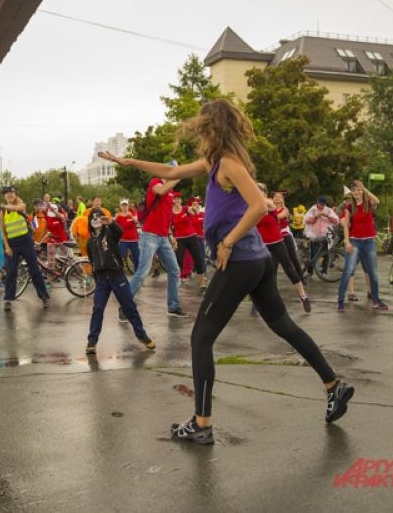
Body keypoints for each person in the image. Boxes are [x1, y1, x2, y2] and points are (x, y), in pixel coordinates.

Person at [101, 99, 353, 443]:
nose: (200, 135)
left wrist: (229, 240)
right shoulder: (214, 162)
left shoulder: (230, 165)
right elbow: (171, 172)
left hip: (241, 262)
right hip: (255, 260)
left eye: (203, 128)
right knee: (283, 325)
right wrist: (128, 161)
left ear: (212, 129)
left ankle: (202, 425)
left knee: (200, 338)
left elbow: (258, 206)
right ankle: (333, 386)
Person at [98, 155, 186, 319]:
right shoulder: (156, 183)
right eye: (172, 171)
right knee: (142, 272)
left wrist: (170, 235)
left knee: (174, 271)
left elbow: (166, 216)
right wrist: (178, 176)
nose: (174, 174)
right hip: (150, 236)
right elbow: (161, 190)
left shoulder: (170, 192)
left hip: (163, 237)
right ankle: (125, 305)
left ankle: (173, 307)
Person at [84, 208, 156, 355]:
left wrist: (110, 222)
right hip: (102, 280)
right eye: (93, 217)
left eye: (99, 217)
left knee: (129, 307)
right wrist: (96, 278)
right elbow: (93, 262)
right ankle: (92, 341)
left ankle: (142, 335)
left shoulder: (110, 233)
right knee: (97, 309)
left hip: (117, 276)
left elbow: (120, 232)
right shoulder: (90, 242)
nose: (96, 220)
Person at [256, 185, 311, 313]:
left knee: (289, 268)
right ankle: (258, 303)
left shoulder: (269, 203)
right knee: (266, 273)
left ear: (264, 193)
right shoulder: (254, 207)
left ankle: (304, 296)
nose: (256, 193)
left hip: (277, 242)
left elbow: (270, 206)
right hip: (263, 245)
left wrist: (252, 195)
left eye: (259, 191)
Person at [337, 180, 388, 313]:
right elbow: (346, 226)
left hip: (369, 242)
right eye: (355, 190)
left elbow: (377, 201)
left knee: (373, 274)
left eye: (359, 190)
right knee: (348, 271)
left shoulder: (369, 204)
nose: (357, 192)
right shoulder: (349, 208)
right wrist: (347, 242)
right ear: (352, 193)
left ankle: (376, 300)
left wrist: (363, 188)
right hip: (355, 242)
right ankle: (340, 301)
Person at [0, 186, 49, 311]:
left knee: (34, 270)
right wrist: (7, 247)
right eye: (7, 194)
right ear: (3, 196)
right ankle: (8, 299)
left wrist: (5, 206)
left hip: (26, 241)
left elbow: (18, 208)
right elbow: (3, 232)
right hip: (12, 244)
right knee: (11, 273)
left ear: (15, 194)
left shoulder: (21, 204)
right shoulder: (2, 212)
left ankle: (43, 296)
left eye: (12, 193)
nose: (9, 195)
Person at [172, 192, 208, 292]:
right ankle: (176, 283)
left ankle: (202, 284)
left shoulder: (185, 208)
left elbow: (192, 211)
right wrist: (172, 238)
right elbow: (169, 227)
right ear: (172, 200)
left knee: (198, 259)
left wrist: (194, 210)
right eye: (175, 198)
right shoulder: (170, 213)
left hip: (192, 237)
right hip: (179, 239)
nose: (178, 200)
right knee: (178, 261)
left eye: (179, 198)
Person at [303, 196, 339, 275]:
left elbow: (336, 221)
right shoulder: (312, 210)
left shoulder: (329, 210)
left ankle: (324, 271)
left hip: (327, 234)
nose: (321, 205)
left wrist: (328, 216)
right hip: (314, 234)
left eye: (323, 204)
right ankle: (310, 272)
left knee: (326, 253)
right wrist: (315, 216)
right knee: (313, 253)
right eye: (320, 203)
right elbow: (306, 221)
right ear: (317, 202)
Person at [272, 191, 303, 281]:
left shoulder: (285, 210)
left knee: (293, 257)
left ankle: (301, 277)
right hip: (275, 236)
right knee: (274, 261)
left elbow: (278, 217)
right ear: (272, 199)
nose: (277, 198)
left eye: (280, 197)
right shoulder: (269, 209)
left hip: (285, 235)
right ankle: (273, 281)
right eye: (275, 196)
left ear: (282, 200)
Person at [115, 199, 140, 271]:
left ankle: (137, 273)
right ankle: (119, 271)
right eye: (123, 205)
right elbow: (115, 226)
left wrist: (131, 216)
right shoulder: (119, 216)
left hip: (133, 240)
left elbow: (136, 221)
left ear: (128, 206)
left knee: (136, 257)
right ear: (120, 207)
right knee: (120, 256)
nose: (124, 207)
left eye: (125, 205)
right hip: (123, 240)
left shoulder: (133, 213)